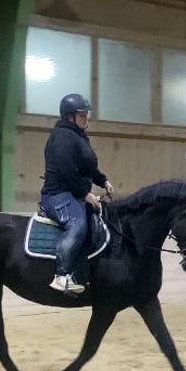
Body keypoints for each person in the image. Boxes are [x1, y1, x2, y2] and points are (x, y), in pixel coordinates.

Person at [39, 93, 114, 295]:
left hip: (73, 193)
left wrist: (103, 180)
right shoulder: (62, 137)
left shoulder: (78, 137)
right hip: (58, 195)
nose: (85, 118)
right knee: (77, 223)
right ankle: (61, 276)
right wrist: (85, 194)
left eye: (86, 114)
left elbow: (87, 166)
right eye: (82, 115)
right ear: (69, 116)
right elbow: (66, 169)